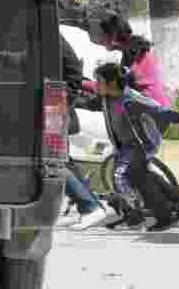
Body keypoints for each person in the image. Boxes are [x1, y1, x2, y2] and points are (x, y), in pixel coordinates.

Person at [90, 62, 179, 231]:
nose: (96, 84)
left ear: (111, 84)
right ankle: (176, 203)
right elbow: (88, 98)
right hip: (125, 146)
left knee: (121, 175)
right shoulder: (106, 98)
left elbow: (158, 110)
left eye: (99, 81)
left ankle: (139, 217)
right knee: (140, 177)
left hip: (141, 144)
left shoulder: (131, 99)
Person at [57, 34, 108, 231]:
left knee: (54, 161)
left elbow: (73, 71)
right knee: (63, 160)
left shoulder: (48, 31)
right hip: (49, 107)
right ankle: (89, 206)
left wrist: (63, 99)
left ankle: (89, 206)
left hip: (51, 108)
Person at [90, 12, 168, 107]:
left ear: (113, 37)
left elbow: (116, 88)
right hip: (152, 106)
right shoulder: (133, 49)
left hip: (151, 109)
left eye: (102, 34)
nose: (100, 38)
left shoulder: (134, 54)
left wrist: (82, 83)